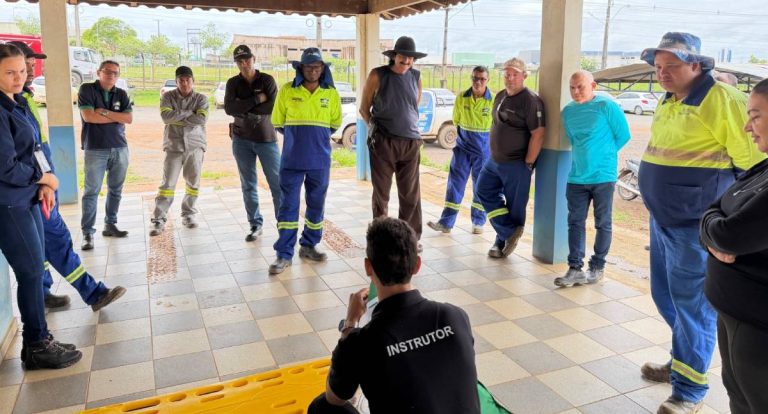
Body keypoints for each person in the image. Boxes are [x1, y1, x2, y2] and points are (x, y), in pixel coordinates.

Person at [637, 32, 765, 414]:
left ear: (697, 64)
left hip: (694, 228)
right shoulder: (669, 99)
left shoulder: (722, 100)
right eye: (658, 67)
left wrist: (728, 230)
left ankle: (689, 389)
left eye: (671, 66)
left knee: (693, 307)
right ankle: (683, 361)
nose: (662, 74)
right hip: (663, 221)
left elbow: (753, 170)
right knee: (668, 299)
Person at [308, 217, 480, 414]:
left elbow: (335, 397)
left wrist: (350, 324)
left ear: (368, 267)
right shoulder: (455, 316)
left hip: (358, 346)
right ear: (417, 265)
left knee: (322, 407)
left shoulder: (362, 341)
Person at [8, 41, 126, 313]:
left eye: (31, 61)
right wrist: (43, 179)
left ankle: (44, 290)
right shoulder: (10, 105)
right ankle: (93, 293)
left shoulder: (23, 97)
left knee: (45, 242)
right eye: (25, 61)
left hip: (41, 179)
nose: (30, 65)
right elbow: (14, 158)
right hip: (32, 186)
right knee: (57, 237)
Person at [0, 43, 83, 370]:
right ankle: (36, 344)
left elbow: (33, 147)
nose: (18, 77)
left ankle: (40, 339)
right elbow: (5, 166)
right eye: (10, 72)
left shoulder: (17, 103)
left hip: (29, 197)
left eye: (22, 70)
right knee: (32, 271)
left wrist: (46, 180)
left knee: (34, 271)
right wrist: (43, 179)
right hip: (10, 204)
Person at [700, 78, 768, 414]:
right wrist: (713, 226)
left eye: (755, 116)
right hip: (734, 311)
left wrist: (713, 228)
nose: (747, 126)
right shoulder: (763, 166)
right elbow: (716, 209)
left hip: (757, 324)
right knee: (738, 395)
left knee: (756, 401)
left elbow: (730, 234)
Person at [554, 71, 630, 287]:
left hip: (603, 177)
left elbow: (623, 135)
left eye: (580, 87)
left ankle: (597, 267)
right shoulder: (567, 112)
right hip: (577, 177)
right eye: (572, 87)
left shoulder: (607, 107)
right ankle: (575, 268)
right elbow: (573, 139)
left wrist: (603, 155)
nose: (576, 92)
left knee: (602, 223)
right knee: (575, 223)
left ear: (593, 85)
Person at [269, 48, 341, 274]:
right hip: (292, 160)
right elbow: (277, 122)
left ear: (323, 69)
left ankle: (309, 245)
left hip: (320, 161)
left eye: (317, 67)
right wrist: (298, 139)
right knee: (288, 207)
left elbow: (334, 123)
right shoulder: (287, 91)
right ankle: (284, 254)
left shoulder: (330, 93)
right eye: (309, 67)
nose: (313, 71)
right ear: (301, 68)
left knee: (316, 205)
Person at [475, 57, 545, 259]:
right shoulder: (500, 96)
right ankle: (508, 232)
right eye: (507, 73)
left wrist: (529, 163)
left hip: (516, 164)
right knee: (483, 190)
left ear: (524, 76)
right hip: (494, 160)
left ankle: (501, 242)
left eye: (515, 74)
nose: (510, 77)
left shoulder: (531, 101)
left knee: (514, 207)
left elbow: (538, 133)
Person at [359, 36, 425, 247]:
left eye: (410, 57)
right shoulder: (378, 75)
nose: (406, 60)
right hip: (383, 142)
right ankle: (380, 239)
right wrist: (376, 131)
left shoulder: (416, 77)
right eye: (403, 56)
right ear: (394, 56)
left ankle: (410, 239)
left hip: (411, 143)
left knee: (411, 195)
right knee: (382, 194)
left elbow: (413, 106)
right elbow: (364, 108)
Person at [224, 45, 282, 242]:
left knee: (277, 185)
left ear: (253, 59)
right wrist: (257, 98)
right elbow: (229, 108)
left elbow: (273, 106)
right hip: (241, 140)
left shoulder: (267, 80)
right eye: (239, 61)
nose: (244, 63)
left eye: (247, 59)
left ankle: (283, 225)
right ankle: (255, 224)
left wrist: (245, 108)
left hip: (266, 139)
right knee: (248, 184)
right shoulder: (233, 83)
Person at [427, 66, 493, 235]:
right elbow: (456, 120)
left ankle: (478, 222)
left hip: (483, 153)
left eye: (482, 79)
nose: (478, 82)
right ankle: (446, 223)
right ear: (471, 78)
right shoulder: (461, 97)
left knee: (481, 186)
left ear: (487, 80)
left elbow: (497, 126)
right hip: (462, 150)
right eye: (475, 78)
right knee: (454, 185)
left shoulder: (493, 100)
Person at [78, 60, 133, 250]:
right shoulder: (87, 90)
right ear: (98, 72)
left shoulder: (122, 93)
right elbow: (89, 117)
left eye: (115, 73)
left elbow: (128, 118)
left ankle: (110, 224)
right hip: (95, 149)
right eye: (107, 72)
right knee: (91, 191)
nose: (111, 75)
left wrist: (104, 112)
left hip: (120, 148)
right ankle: (87, 233)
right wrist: (112, 117)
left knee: (116, 189)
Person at [150, 66, 209, 235]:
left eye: (187, 80)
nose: (184, 83)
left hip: (195, 146)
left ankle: (188, 214)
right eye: (181, 80)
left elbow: (201, 119)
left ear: (193, 81)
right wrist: (189, 113)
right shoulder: (167, 97)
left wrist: (179, 115)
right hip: (174, 146)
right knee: (167, 184)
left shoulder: (201, 99)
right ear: (176, 82)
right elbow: (166, 117)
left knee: (193, 183)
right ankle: (158, 219)